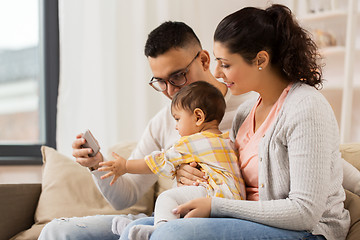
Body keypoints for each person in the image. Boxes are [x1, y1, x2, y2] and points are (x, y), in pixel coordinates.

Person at [120, 4, 352, 240]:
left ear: (260, 60)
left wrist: (215, 206)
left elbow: (304, 212)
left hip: (308, 232)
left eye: (226, 64)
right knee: (131, 231)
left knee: (170, 235)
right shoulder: (245, 112)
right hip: (246, 221)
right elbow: (225, 167)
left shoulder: (306, 107)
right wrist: (189, 170)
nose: (217, 73)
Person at [38, 21, 254, 240]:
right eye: (161, 82)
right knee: (56, 231)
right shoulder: (164, 121)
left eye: (178, 77)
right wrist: (96, 164)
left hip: (212, 220)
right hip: (165, 217)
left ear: (204, 60)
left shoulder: (249, 108)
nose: (170, 91)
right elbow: (126, 196)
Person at [99, 81, 246, 240]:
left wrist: (126, 166)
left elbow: (158, 160)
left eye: (177, 119)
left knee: (167, 198)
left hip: (215, 196)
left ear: (198, 117)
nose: (176, 127)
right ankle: (136, 226)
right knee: (176, 206)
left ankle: (159, 231)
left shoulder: (192, 142)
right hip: (233, 203)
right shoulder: (227, 140)